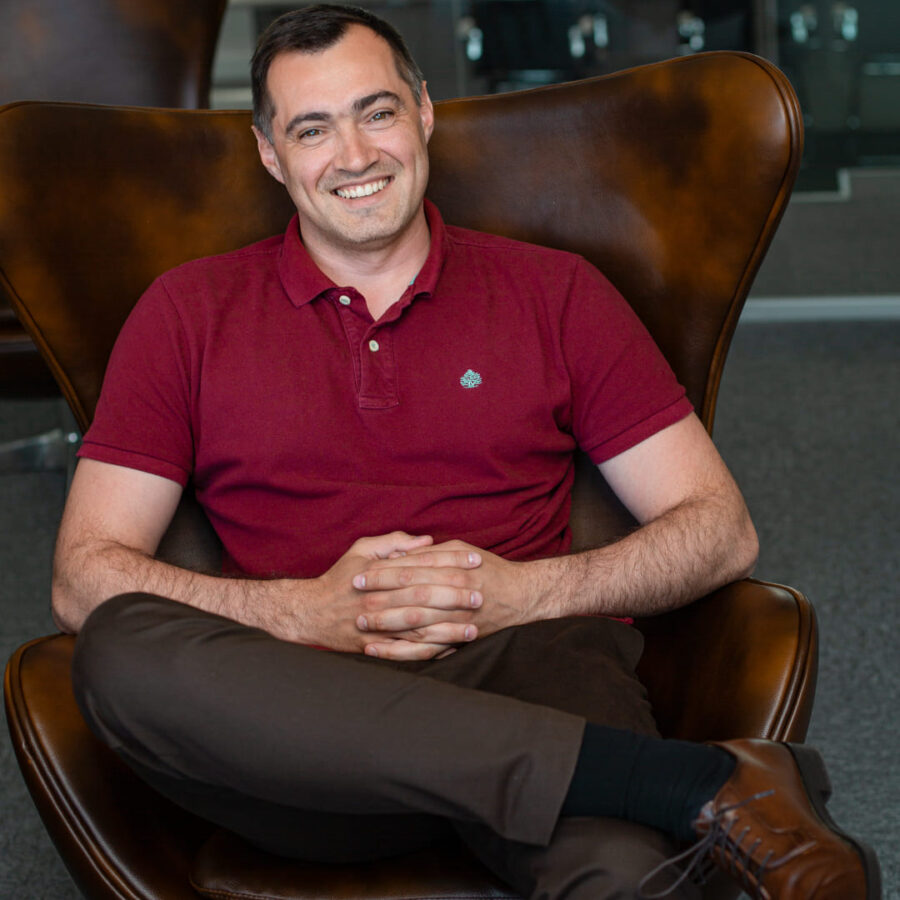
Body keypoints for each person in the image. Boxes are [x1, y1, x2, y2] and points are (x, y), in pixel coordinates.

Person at [55, 5, 879, 899]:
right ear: (269, 154)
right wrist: (307, 613)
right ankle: (683, 783)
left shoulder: (557, 293)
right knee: (118, 650)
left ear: (424, 113)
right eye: (312, 128)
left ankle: (610, 785)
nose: (357, 155)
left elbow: (721, 532)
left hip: (531, 673)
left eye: (377, 112)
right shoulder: (186, 313)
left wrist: (522, 592)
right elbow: (83, 577)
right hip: (298, 727)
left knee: (628, 878)